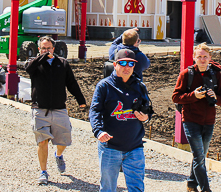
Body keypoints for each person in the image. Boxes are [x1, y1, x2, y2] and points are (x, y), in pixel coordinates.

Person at [25, 36, 86, 185]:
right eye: (43, 48)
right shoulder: (35, 64)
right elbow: (28, 69)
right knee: (42, 141)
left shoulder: (62, 63)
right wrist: (42, 57)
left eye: (49, 48)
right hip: (40, 109)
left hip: (59, 109)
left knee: (64, 140)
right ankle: (43, 172)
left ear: (54, 49)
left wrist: (81, 100)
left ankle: (58, 155)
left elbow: (71, 83)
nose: (47, 51)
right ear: (39, 50)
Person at [90, 48, 152, 192]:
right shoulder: (104, 86)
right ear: (115, 64)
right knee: (108, 188)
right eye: (123, 63)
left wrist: (146, 117)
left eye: (130, 64)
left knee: (137, 188)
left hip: (135, 147)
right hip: (110, 147)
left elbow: (148, 108)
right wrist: (98, 131)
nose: (126, 67)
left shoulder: (139, 86)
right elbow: (95, 111)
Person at [172, 43, 221, 192]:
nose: (202, 60)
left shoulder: (216, 75)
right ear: (194, 58)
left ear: (209, 58)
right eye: (199, 57)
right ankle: (205, 188)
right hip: (190, 120)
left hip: (209, 121)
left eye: (205, 57)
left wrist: (215, 97)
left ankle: (191, 184)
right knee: (199, 156)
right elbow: (176, 97)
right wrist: (193, 96)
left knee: (200, 155)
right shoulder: (186, 74)